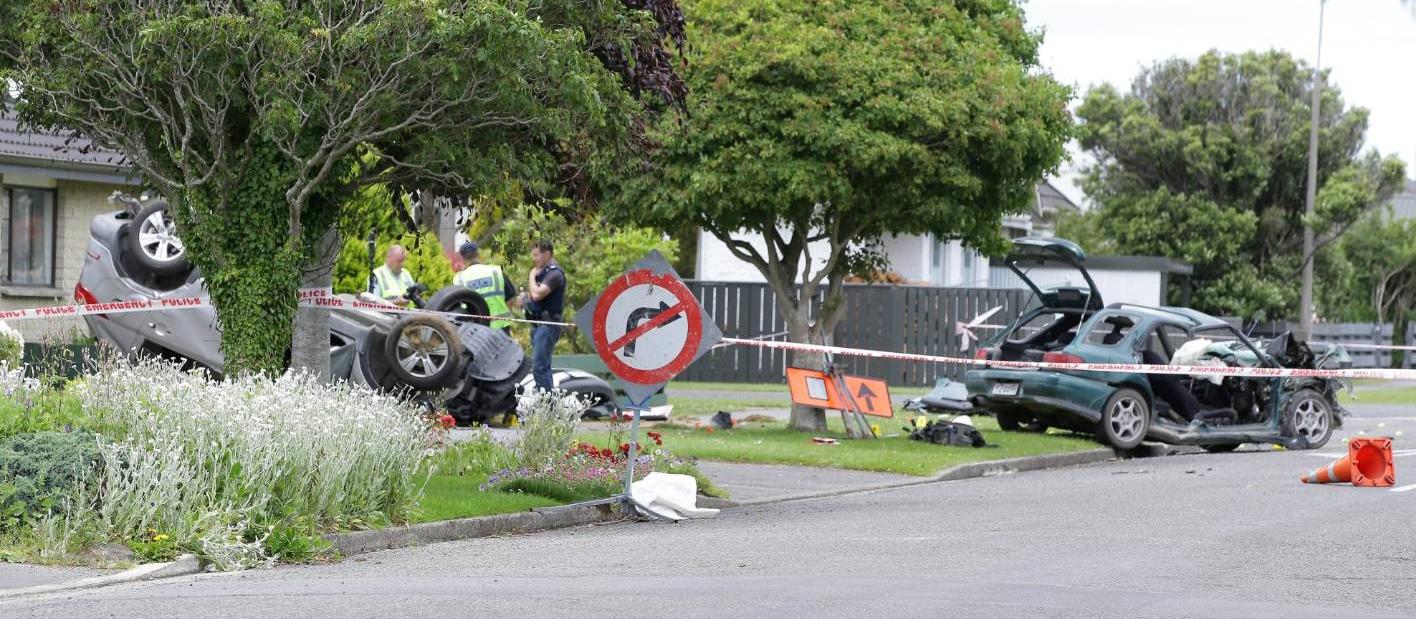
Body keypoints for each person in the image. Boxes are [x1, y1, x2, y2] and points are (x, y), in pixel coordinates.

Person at [524, 239, 565, 392]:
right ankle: (546, 401)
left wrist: (531, 275)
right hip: (537, 324)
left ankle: (547, 404)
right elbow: (533, 298)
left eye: (536, 255)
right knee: (543, 366)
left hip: (549, 324)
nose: (534, 259)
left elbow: (537, 294)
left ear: (547, 254)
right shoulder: (543, 274)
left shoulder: (555, 273)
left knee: (539, 366)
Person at [452, 241, 516, 333]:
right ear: (478, 254)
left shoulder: (459, 279)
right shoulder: (496, 272)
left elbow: (457, 307)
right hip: (501, 329)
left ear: (462, 259)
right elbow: (510, 300)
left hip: (475, 331)